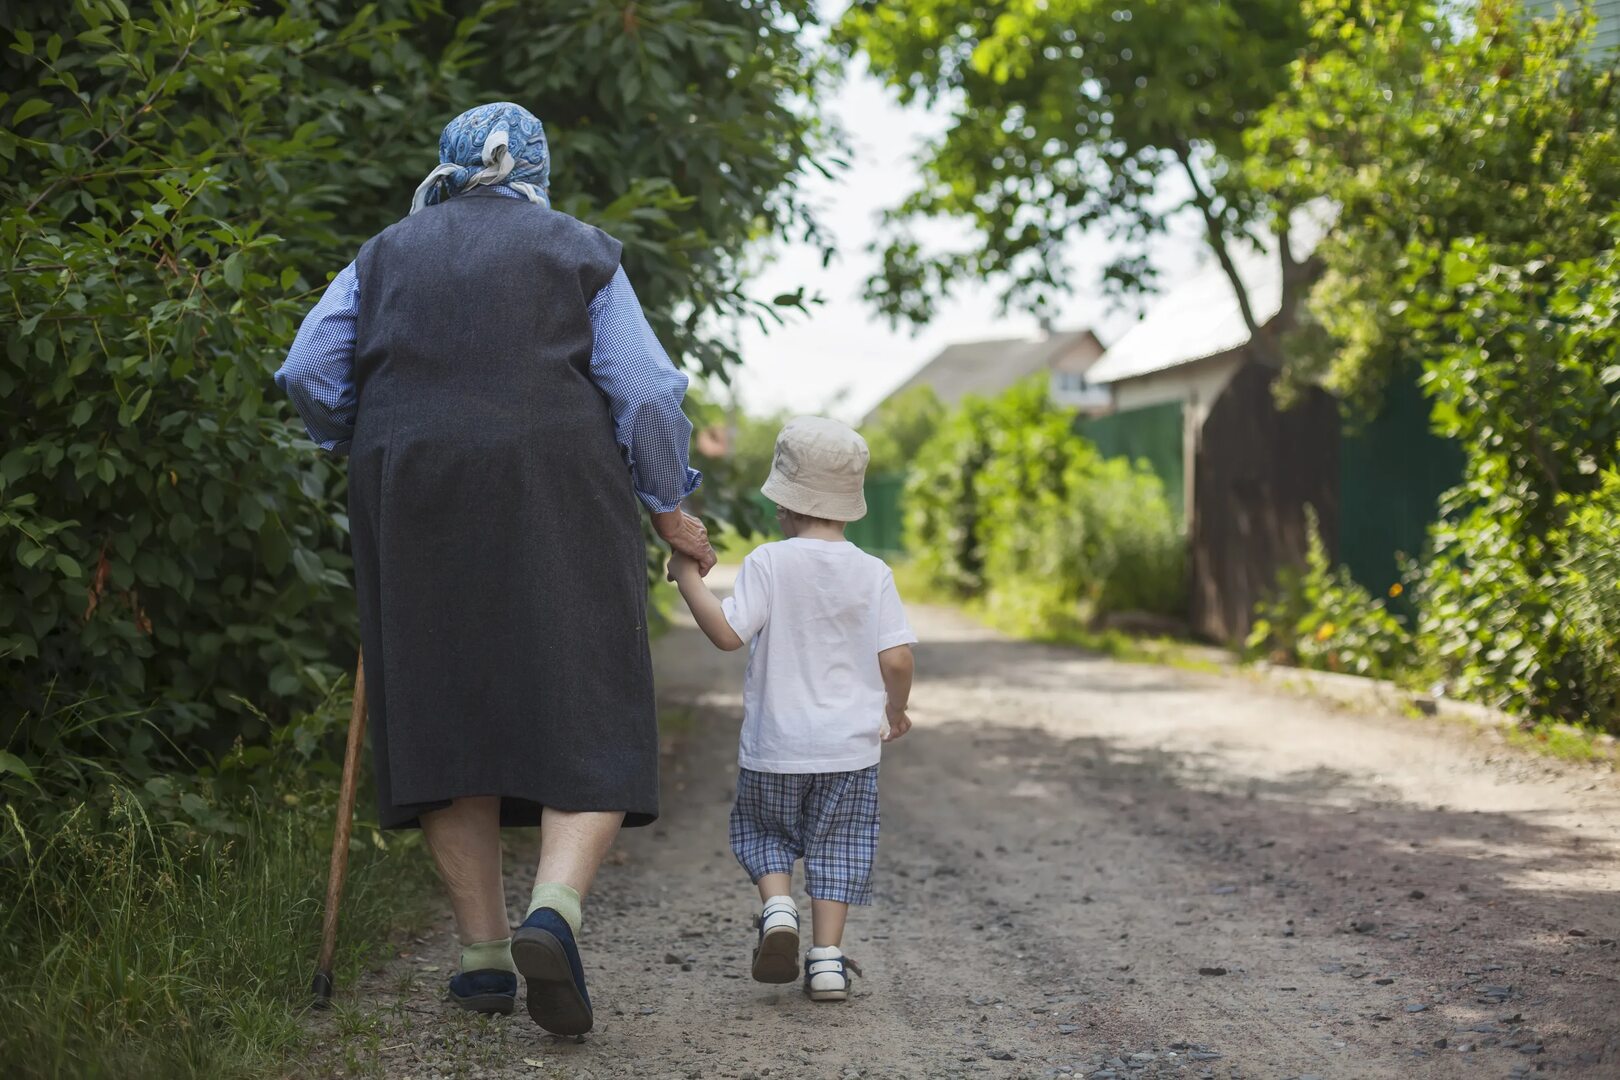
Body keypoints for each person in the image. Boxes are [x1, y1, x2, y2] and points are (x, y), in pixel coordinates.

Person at [275, 102, 715, 1034]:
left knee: (440, 699)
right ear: (538, 170)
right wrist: (670, 505)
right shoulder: (580, 250)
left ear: (447, 166)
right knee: (587, 688)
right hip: (559, 484)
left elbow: (309, 368)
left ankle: (480, 960)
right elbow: (645, 392)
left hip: (412, 487)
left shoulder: (384, 251)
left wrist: (375, 440)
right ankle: (550, 913)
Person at [667, 416, 916, 1002]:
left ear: (783, 502)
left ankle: (778, 909)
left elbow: (729, 635)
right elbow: (899, 658)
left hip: (776, 745)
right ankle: (826, 962)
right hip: (850, 750)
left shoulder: (768, 562)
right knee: (839, 845)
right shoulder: (873, 572)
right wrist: (896, 710)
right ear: (849, 503)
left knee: (764, 832)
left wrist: (685, 579)